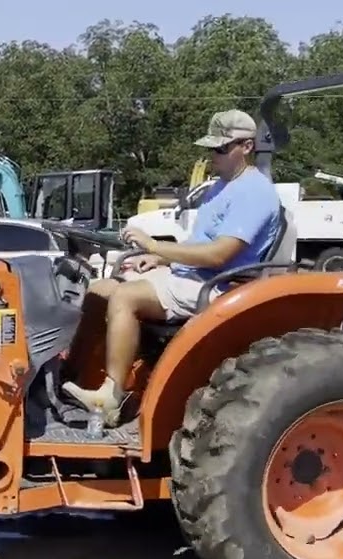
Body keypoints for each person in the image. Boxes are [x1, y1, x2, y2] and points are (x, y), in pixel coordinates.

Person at [61, 108, 284, 428]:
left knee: (125, 297)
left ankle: (111, 398)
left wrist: (154, 246)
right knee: (100, 291)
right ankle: (69, 377)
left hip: (219, 284)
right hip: (192, 275)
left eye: (221, 149)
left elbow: (220, 254)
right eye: (211, 148)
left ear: (246, 147)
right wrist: (162, 259)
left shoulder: (256, 193)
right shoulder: (219, 187)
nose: (213, 156)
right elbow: (198, 245)